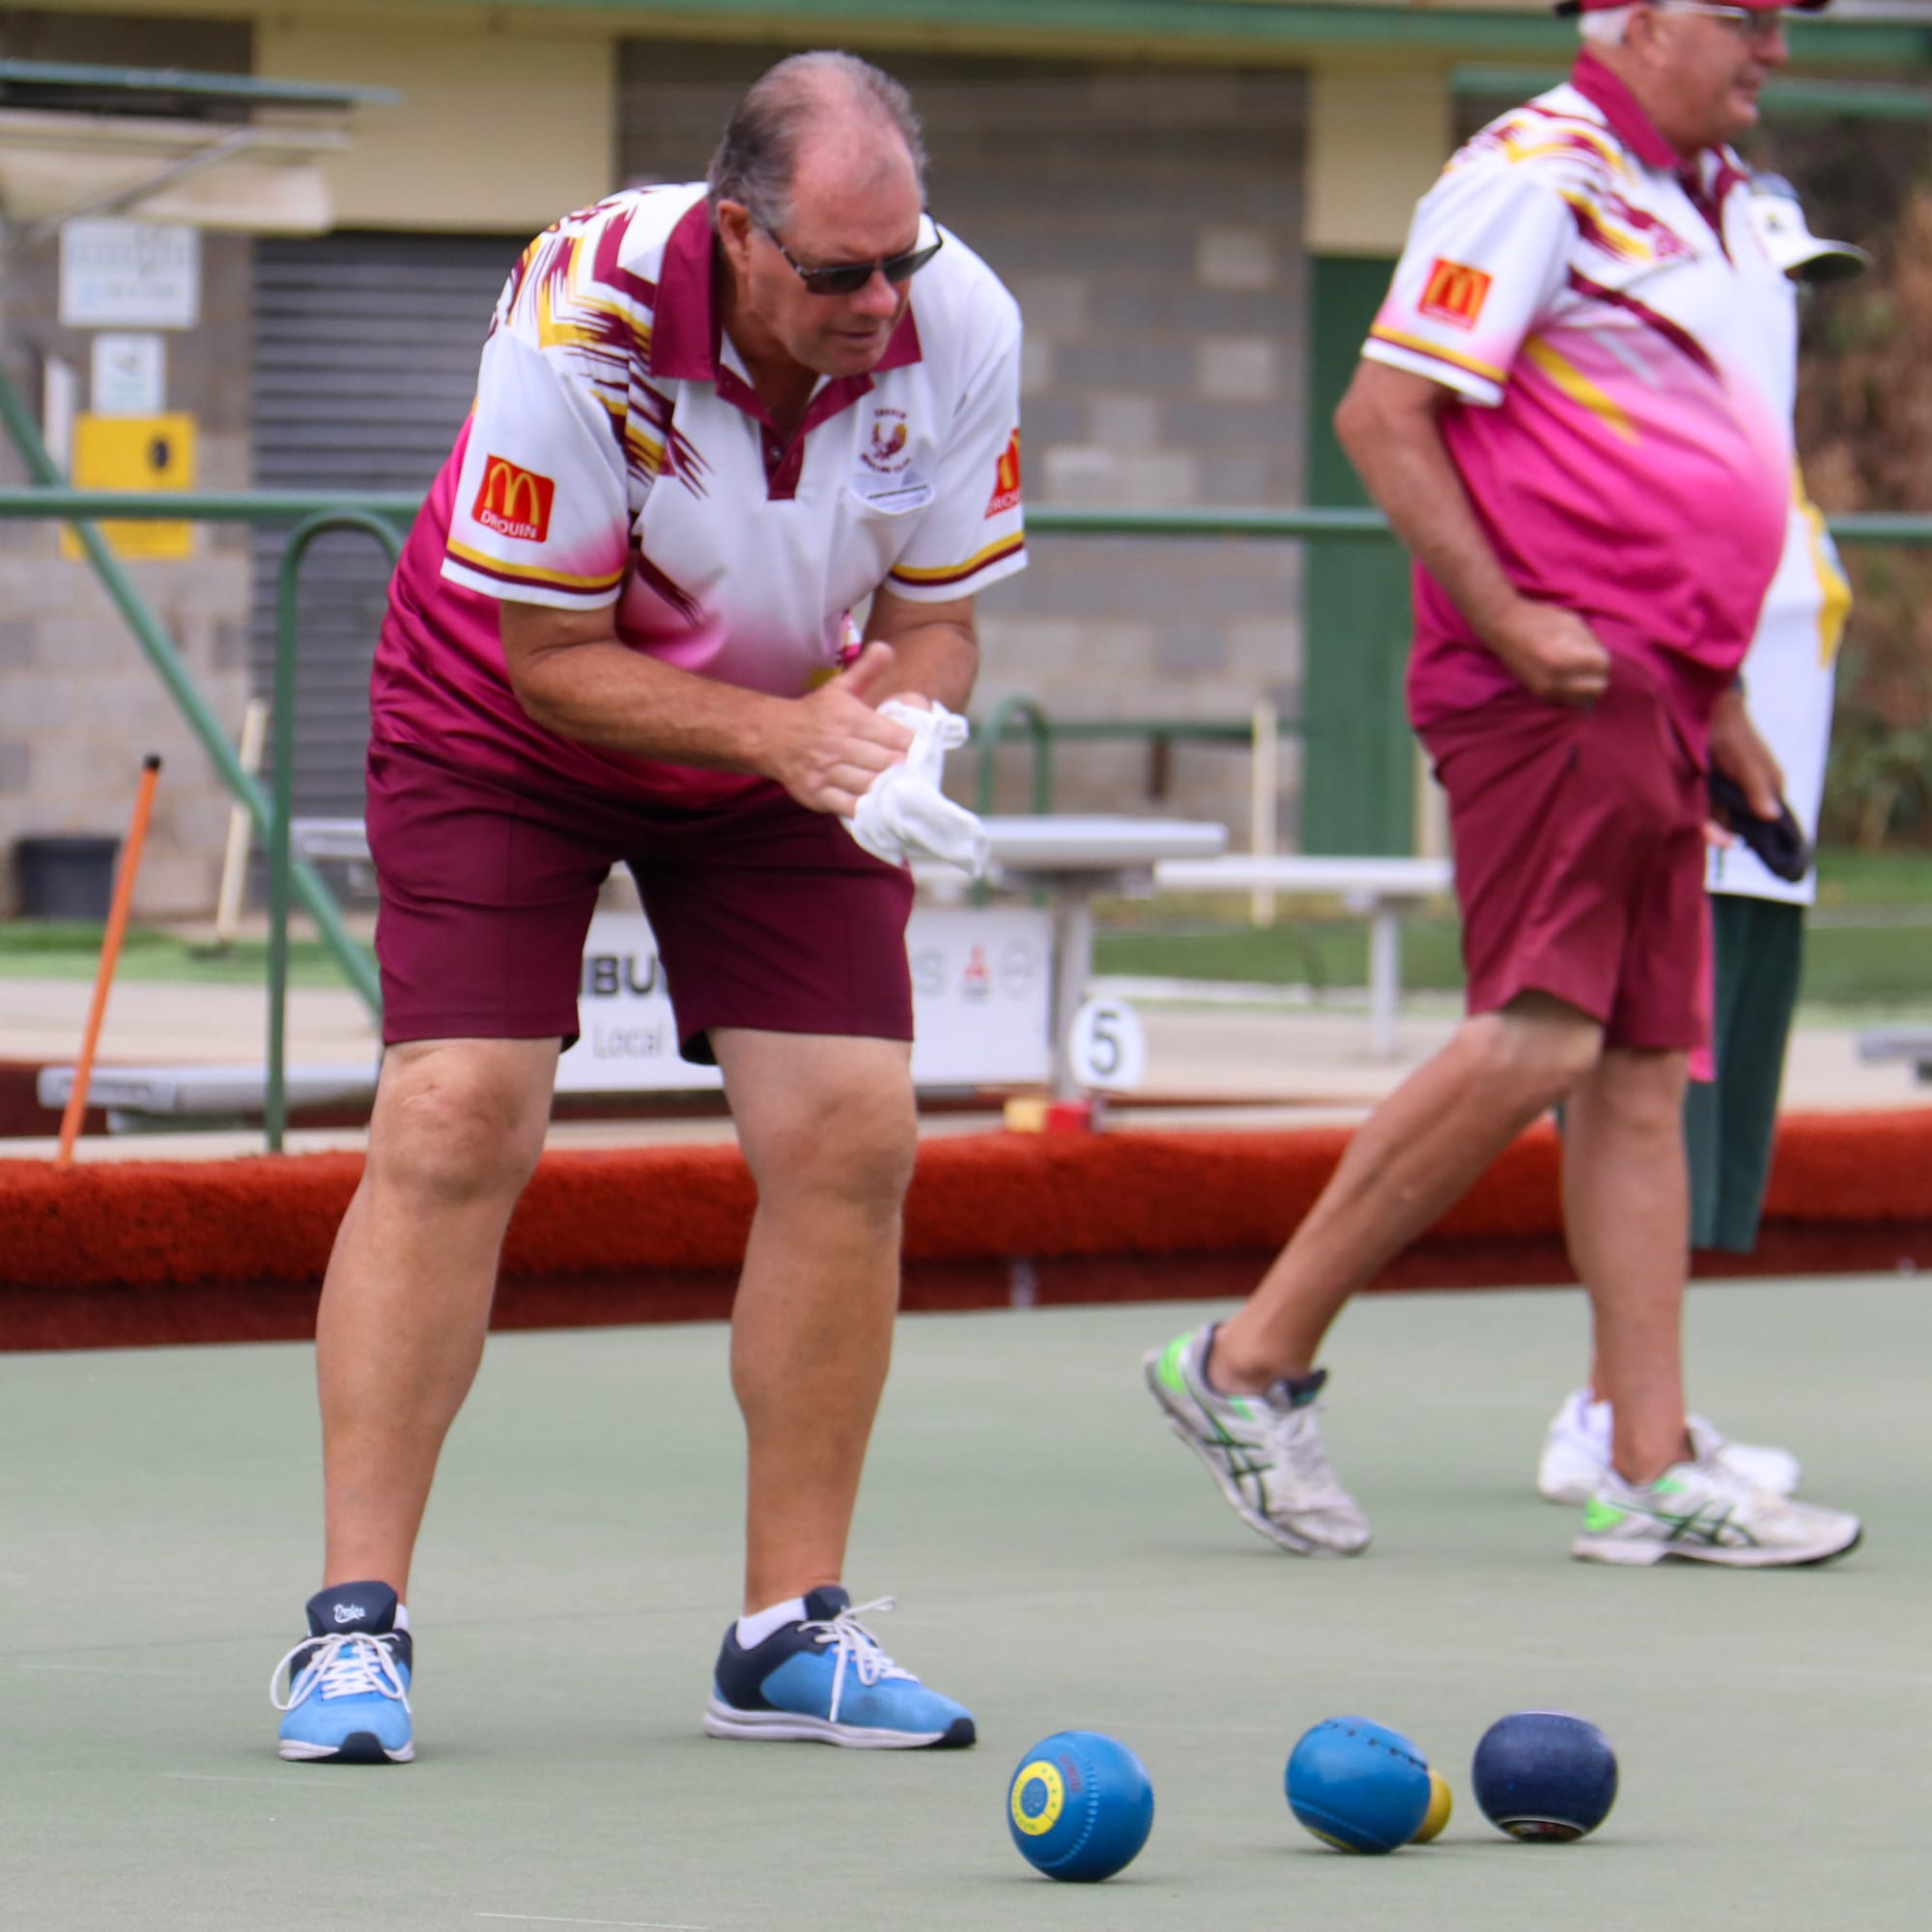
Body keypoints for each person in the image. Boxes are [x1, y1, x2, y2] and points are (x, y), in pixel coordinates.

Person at [270, 50, 1026, 1763]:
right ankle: (353, 1633)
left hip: (792, 732)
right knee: (458, 1115)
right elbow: (552, 659)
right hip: (505, 718)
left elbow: (937, 618)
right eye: (838, 272)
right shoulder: (581, 309)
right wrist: (794, 737)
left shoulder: (961, 319)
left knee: (854, 1130)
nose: (880, 303)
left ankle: (787, 1633)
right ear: (738, 234)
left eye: (899, 260)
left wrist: (903, 729)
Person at [1145, 0, 1863, 1569]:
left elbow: (1695, 484)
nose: (1774, 47)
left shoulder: (1715, 200)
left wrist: (1726, 705)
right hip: (1553, 681)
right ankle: (1246, 1362)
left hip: (1659, 686)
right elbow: (1382, 413)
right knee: (1545, 1030)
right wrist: (1510, 615)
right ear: (1633, 18)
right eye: (1745, 15)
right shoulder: (1533, 173)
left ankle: (1647, 1464)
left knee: (1643, 1067)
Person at [1535, 170, 1868, 1505]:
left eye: (1799, 292)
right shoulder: (1668, 461)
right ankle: (1609, 1416)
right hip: (1686, 841)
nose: (1788, 318)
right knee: (1640, 1113)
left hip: (1762, 865)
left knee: (1696, 1146)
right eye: (1768, 288)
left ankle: (1637, 1409)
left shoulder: (1770, 470)